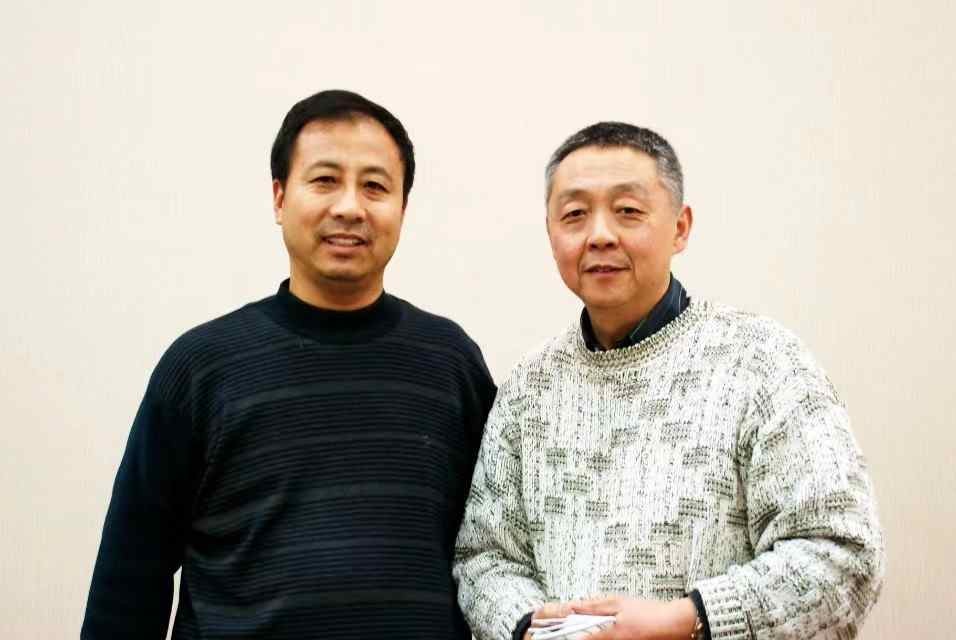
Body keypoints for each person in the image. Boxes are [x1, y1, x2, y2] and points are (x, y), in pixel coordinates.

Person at [82, 89, 496, 639]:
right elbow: (130, 574)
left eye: (375, 186)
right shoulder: (201, 368)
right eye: (324, 180)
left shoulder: (450, 362)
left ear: (402, 208)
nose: (349, 207)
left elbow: (496, 549)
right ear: (279, 198)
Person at [453, 122, 884, 640]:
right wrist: (532, 627)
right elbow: (484, 558)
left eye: (627, 210)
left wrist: (688, 619)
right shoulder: (527, 389)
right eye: (574, 214)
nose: (600, 235)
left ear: (680, 228)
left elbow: (843, 555)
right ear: (551, 234)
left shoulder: (763, 362)